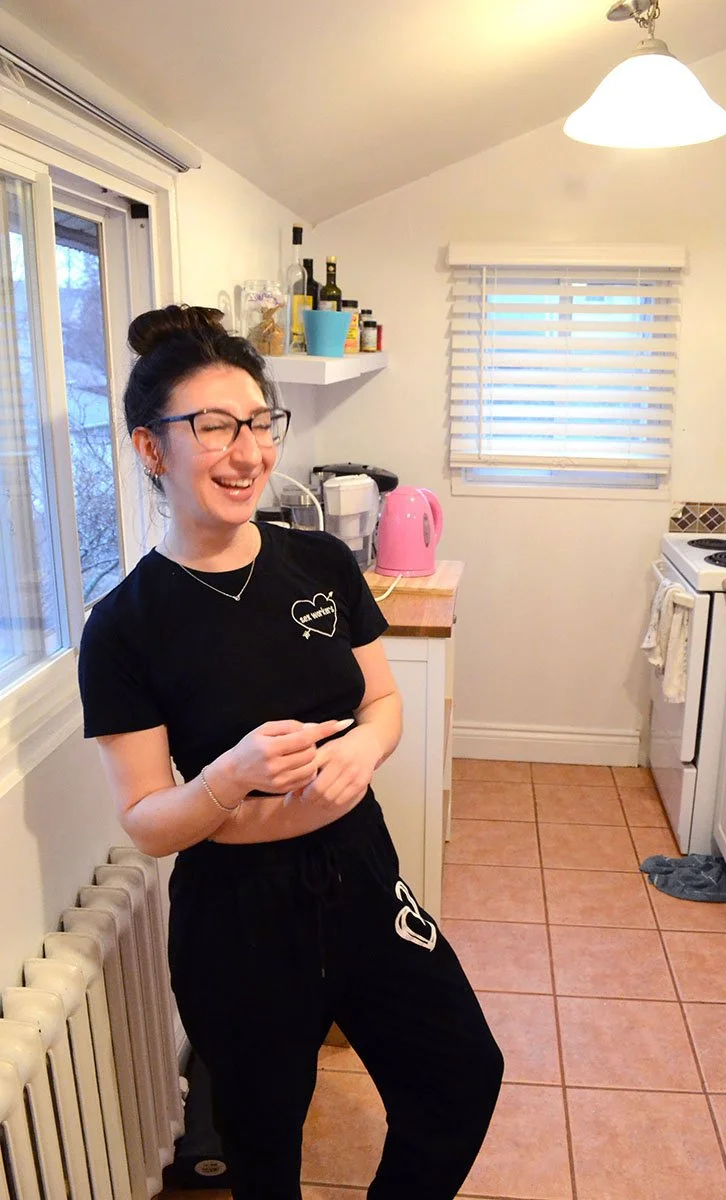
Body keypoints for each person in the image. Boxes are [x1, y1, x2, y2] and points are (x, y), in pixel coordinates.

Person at [78, 304, 503, 1200]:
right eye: (213, 427)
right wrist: (230, 776)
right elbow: (149, 822)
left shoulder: (320, 562)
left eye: (259, 422)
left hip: (362, 875)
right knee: (265, 1143)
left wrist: (365, 754)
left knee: (463, 1076)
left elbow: (381, 699)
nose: (248, 452)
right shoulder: (124, 629)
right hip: (237, 918)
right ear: (152, 448)